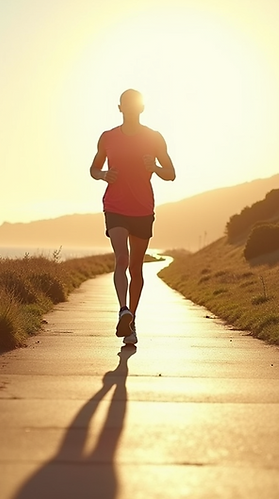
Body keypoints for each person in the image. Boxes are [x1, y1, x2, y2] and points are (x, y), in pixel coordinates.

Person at [89, 89, 176, 345]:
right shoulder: (107, 138)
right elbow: (94, 168)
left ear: (141, 108)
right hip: (115, 206)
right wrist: (104, 175)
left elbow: (171, 173)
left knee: (136, 268)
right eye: (126, 105)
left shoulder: (154, 138)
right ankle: (123, 310)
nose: (130, 108)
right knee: (122, 259)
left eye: (134, 105)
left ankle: (131, 322)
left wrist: (155, 168)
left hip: (142, 208)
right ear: (119, 108)